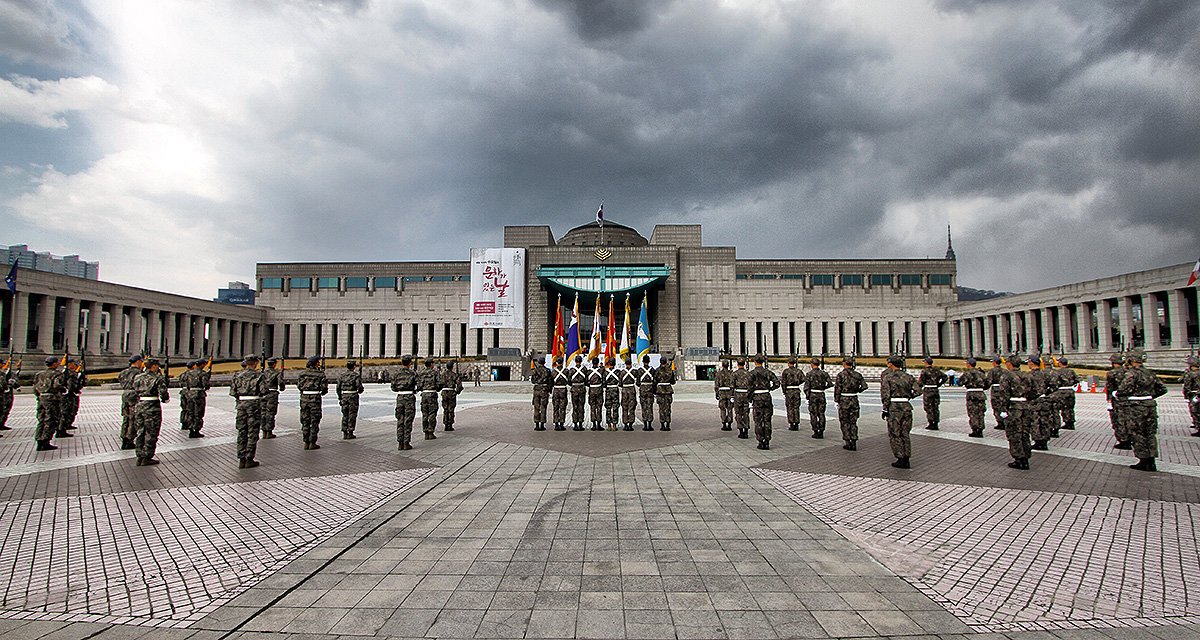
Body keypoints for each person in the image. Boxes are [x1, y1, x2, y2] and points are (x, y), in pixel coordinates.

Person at [1117, 348, 1168, 471]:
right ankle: (1151, 460)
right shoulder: (1150, 373)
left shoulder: (1132, 374)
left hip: (1136, 407)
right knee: (1150, 433)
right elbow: (1162, 389)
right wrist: (1149, 396)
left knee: (1138, 433)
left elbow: (1123, 390)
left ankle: (1143, 460)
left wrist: (1119, 394)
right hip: (1150, 405)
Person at [879, 355, 918, 469]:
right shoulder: (908, 377)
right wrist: (908, 396)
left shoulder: (888, 377)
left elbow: (885, 395)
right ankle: (907, 458)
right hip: (906, 407)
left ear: (891, 364)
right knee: (905, 433)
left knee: (895, 433)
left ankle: (900, 458)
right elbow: (918, 390)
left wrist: (885, 409)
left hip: (894, 408)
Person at [229, 355, 267, 468]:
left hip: (241, 405)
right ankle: (249, 458)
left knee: (242, 431)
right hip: (254, 405)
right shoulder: (259, 375)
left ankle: (241, 459)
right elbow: (264, 391)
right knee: (253, 432)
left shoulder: (237, 375)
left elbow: (233, 392)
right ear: (255, 363)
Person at [132, 357, 169, 466]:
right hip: (152, 407)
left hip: (140, 406)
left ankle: (139, 455)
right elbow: (164, 394)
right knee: (151, 432)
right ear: (153, 366)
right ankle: (147, 456)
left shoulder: (137, 377)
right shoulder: (157, 378)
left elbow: (135, 390)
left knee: (140, 431)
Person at [997, 354, 1031, 470]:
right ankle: (1025, 458)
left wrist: (1002, 409)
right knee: (1024, 433)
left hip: (1013, 407)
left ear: (1010, 364)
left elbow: (1003, 394)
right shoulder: (1027, 375)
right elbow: (1034, 391)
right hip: (1025, 406)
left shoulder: (1006, 376)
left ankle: (1018, 459)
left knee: (1014, 433)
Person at [833, 356, 868, 450]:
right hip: (854, 399)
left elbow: (837, 389)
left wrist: (836, 400)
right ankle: (854, 441)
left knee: (844, 421)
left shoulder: (841, 375)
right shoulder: (857, 375)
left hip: (844, 399)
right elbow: (865, 386)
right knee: (853, 422)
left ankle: (848, 442)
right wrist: (857, 390)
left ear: (844, 363)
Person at [33, 355, 66, 451]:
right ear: (54, 363)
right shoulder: (57, 374)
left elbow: (35, 387)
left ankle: (39, 439)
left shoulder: (39, 374)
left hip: (41, 398)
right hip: (52, 399)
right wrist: (63, 389)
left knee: (41, 420)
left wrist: (39, 396)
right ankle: (45, 440)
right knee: (51, 420)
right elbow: (57, 385)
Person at [297, 356, 329, 449]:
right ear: (315, 363)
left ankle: (306, 441)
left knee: (305, 420)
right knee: (314, 420)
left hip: (304, 398)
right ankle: (312, 442)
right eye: (318, 362)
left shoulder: (302, 374)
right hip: (315, 398)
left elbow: (299, 386)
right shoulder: (320, 374)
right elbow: (324, 388)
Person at [749, 355, 780, 449]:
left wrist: (750, 398)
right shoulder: (768, 372)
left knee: (758, 420)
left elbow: (749, 387)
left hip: (757, 397)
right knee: (767, 420)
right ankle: (767, 440)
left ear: (755, 362)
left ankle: (760, 440)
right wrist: (770, 389)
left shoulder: (752, 373)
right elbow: (777, 383)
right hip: (766, 397)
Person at [1027, 354, 1053, 451]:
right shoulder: (1045, 374)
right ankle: (1044, 442)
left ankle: (1038, 441)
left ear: (1032, 363)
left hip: (1034, 401)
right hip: (1044, 401)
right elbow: (1053, 385)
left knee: (1035, 422)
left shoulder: (1029, 375)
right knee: (1044, 421)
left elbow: (1026, 389)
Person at [117, 355, 144, 450]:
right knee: (133, 418)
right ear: (137, 362)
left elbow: (120, 381)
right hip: (134, 395)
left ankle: (124, 438)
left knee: (126, 417)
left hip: (125, 394)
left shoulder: (123, 372)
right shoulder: (139, 373)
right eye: (141, 361)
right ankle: (129, 440)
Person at [391, 355, 418, 449]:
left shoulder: (396, 374)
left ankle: (400, 442)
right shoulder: (412, 373)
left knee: (400, 420)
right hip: (409, 397)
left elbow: (393, 387)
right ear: (410, 363)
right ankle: (406, 442)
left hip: (400, 397)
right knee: (408, 420)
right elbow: (418, 385)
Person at [178, 360, 209, 438]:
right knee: (198, 413)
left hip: (189, 394)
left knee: (190, 412)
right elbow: (205, 384)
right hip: (199, 395)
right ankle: (196, 430)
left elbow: (182, 383)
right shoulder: (202, 373)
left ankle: (190, 429)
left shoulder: (187, 373)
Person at [1106, 352, 1130, 449]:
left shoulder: (1112, 373)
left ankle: (1123, 440)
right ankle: (1129, 438)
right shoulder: (1128, 372)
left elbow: (1109, 388)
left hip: (1117, 399)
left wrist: (1109, 400)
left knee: (1118, 420)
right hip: (1128, 400)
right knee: (1128, 420)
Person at [959, 357, 989, 438]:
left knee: (973, 413)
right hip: (981, 394)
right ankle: (980, 429)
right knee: (980, 413)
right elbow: (987, 384)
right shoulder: (981, 374)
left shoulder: (967, 373)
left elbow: (960, 383)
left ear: (969, 364)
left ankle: (975, 429)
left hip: (971, 394)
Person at [917, 355, 947, 430]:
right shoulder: (936, 370)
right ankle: (936, 423)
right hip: (935, 390)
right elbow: (945, 377)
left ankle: (931, 422)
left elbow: (921, 382)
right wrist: (939, 384)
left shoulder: (924, 371)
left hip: (928, 389)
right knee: (935, 407)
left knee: (928, 407)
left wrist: (918, 387)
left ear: (926, 362)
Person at [804, 358, 832, 438]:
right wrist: (823, 388)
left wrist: (807, 396)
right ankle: (821, 431)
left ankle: (815, 431)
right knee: (821, 413)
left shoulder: (809, 374)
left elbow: (806, 387)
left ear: (812, 364)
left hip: (813, 395)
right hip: (821, 394)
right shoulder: (824, 373)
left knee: (813, 414)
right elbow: (830, 384)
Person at [337, 361, 365, 439]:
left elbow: (338, 388)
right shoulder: (355, 376)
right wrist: (360, 391)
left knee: (345, 414)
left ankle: (344, 432)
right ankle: (350, 432)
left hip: (344, 396)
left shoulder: (342, 376)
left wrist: (340, 397)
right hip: (353, 396)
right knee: (352, 414)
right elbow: (359, 386)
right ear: (354, 367)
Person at [416, 358, 442, 439]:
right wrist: (437, 389)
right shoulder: (435, 373)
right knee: (432, 413)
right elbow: (439, 383)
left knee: (425, 414)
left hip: (424, 395)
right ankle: (431, 431)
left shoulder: (421, 373)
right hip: (432, 394)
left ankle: (425, 432)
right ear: (431, 364)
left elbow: (419, 385)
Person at [1052, 356, 1079, 432]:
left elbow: (1056, 382)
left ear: (1060, 363)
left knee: (1064, 407)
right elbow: (1077, 380)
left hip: (1062, 391)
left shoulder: (1058, 372)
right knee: (1070, 407)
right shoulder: (1071, 371)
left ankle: (1067, 422)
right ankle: (1071, 422)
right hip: (1070, 390)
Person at [60, 358, 85, 435]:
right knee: (65, 412)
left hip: (73, 394)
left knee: (72, 410)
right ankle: (61, 429)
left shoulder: (73, 373)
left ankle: (67, 424)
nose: (76, 366)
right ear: (69, 364)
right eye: (74, 364)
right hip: (67, 396)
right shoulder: (66, 373)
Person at [262, 357, 285, 439]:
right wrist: (282, 388)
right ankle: (269, 432)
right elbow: (281, 382)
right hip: (272, 393)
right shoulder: (276, 372)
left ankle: (264, 431)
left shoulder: (263, 372)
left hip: (263, 394)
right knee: (271, 412)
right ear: (275, 364)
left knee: (263, 412)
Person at [780, 357, 805, 431]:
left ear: (788, 363)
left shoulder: (786, 371)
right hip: (796, 390)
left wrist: (784, 391)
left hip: (789, 390)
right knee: (796, 407)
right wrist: (797, 383)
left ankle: (791, 423)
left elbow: (783, 383)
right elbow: (803, 379)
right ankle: (796, 423)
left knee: (790, 407)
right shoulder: (798, 371)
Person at [655, 354, 677, 431]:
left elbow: (655, 381)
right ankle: (668, 424)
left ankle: (662, 425)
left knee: (661, 408)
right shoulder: (670, 370)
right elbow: (673, 381)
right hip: (668, 391)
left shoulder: (657, 370)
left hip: (660, 390)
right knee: (668, 408)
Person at [441, 360, 464, 432]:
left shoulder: (443, 375)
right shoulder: (454, 375)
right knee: (451, 409)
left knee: (445, 409)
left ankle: (445, 424)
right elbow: (459, 385)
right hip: (451, 392)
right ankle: (450, 425)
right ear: (452, 367)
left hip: (444, 392)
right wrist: (457, 392)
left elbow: (439, 383)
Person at [635, 355, 657, 431]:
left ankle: (645, 425)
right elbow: (655, 381)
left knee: (644, 407)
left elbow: (637, 383)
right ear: (649, 361)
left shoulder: (639, 370)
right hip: (650, 390)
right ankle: (650, 424)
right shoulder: (652, 370)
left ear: (643, 362)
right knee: (650, 407)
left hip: (643, 390)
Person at [732, 358, 752, 439]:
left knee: (739, 413)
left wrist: (732, 396)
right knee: (746, 413)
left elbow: (732, 385)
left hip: (738, 395)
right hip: (746, 394)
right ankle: (746, 430)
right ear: (744, 364)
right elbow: (751, 385)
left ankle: (741, 431)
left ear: (737, 364)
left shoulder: (735, 374)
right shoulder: (748, 374)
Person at [530, 356, 551, 431]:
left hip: (537, 390)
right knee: (543, 407)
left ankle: (537, 424)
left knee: (536, 407)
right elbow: (549, 381)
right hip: (544, 390)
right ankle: (542, 424)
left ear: (539, 362)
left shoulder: (535, 370)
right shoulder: (548, 371)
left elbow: (532, 381)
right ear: (544, 362)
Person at [713, 359, 734, 431]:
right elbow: (733, 384)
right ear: (728, 365)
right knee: (730, 408)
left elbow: (716, 384)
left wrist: (716, 393)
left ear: (722, 365)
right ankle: (730, 424)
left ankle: (724, 423)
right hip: (729, 392)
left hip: (722, 392)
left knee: (722, 409)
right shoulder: (731, 373)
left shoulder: (719, 373)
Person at [569, 355, 588, 431]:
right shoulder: (584, 369)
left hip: (574, 389)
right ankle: (580, 423)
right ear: (581, 361)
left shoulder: (572, 370)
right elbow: (586, 380)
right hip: (582, 389)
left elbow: (569, 380)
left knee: (575, 407)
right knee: (581, 407)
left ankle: (575, 424)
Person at [987, 354, 1006, 430]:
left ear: (995, 362)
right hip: (1003, 390)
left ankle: (1000, 422)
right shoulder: (1004, 371)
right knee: (1003, 406)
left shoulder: (992, 371)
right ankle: (1004, 420)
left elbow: (989, 381)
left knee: (996, 407)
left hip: (995, 390)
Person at [619, 356, 638, 431]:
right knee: (631, 407)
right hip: (632, 390)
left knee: (624, 407)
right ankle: (630, 424)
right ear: (631, 363)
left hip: (624, 390)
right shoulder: (634, 371)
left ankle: (625, 424)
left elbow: (620, 383)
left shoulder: (622, 372)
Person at [551, 356, 570, 430]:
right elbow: (568, 381)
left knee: (556, 407)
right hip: (563, 390)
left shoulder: (553, 371)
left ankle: (556, 424)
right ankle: (561, 424)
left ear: (556, 362)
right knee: (562, 407)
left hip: (556, 390)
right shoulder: (566, 371)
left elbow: (551, 382)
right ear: (562, 362)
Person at [0, 357, 19, 432]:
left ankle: (1, 424)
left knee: (4, 410)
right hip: (3, 394)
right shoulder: (1, 373)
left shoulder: (4, 373)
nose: (4, 365)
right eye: (3, 363)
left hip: (4, 394)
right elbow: (3, 384)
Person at [1183, 355, 1200, 437]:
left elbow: (1187, 385)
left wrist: (1186, 394)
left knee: (1195, 411)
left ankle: (1198, 426)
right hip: (1197, 394)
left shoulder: (1192, 374)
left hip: (1194, 394)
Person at [587, 357, 605, 431]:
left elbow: (586, 382)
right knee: (599, 407)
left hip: (591, 390)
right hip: (599, 390)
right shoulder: (601, 371)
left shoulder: (588, 372)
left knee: (592, 407)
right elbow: (604, 381)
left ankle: (593, 424)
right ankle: (598, 424)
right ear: (598, 363)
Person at [603, 357, 621, 430]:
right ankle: (614, 425)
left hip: (608, 391)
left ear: (609, 363)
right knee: (615, 408)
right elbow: (620, 382)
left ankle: (609, 425)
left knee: (608, 408)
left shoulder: (605, 372)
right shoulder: (618, 372)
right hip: (615, 391)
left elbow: (604, 384)